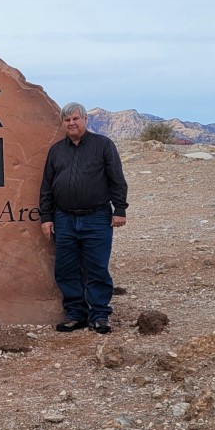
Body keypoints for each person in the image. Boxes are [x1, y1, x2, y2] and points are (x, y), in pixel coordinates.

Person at [39, 102, 128, 334]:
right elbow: (47, 186)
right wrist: (46, 217)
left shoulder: (103, 145)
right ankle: (75, 314)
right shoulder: (56, 151)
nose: (71, 123)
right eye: (67, 120)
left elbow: (116, 178)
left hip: (97, 217)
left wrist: (120, 209)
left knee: (96, 267)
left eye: (76, 119)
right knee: (66, 269)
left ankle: (99, 315)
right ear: (62, 123)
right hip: (64, 219)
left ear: (86, 120)